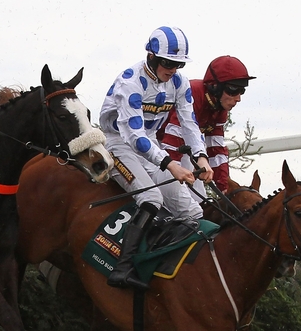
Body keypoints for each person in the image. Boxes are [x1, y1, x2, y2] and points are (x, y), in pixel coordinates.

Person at [98, 26, 213, 290]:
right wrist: (170, 164)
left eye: (178, 63)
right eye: (167, 62)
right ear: (151, 56)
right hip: (118, 144)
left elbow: (189, 123)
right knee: (151, 198)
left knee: (193, 212)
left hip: (151, 147)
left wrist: (201, 157)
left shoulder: (179, 83)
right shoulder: (130, 82)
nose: (172, 68)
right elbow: (134, 135)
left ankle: (162, 267)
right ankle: (122, 268)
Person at [157, 55, 255, 198]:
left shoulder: (219, 108)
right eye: (233, 90)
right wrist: (173, 176)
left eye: (242, 91)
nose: (238, 98)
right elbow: (173, 140)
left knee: (200, 199)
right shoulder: (193, 94)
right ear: (215, 87)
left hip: (180, 149)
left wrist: (224, 188)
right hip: (157, 145)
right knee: (182, 197)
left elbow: (217, 150)